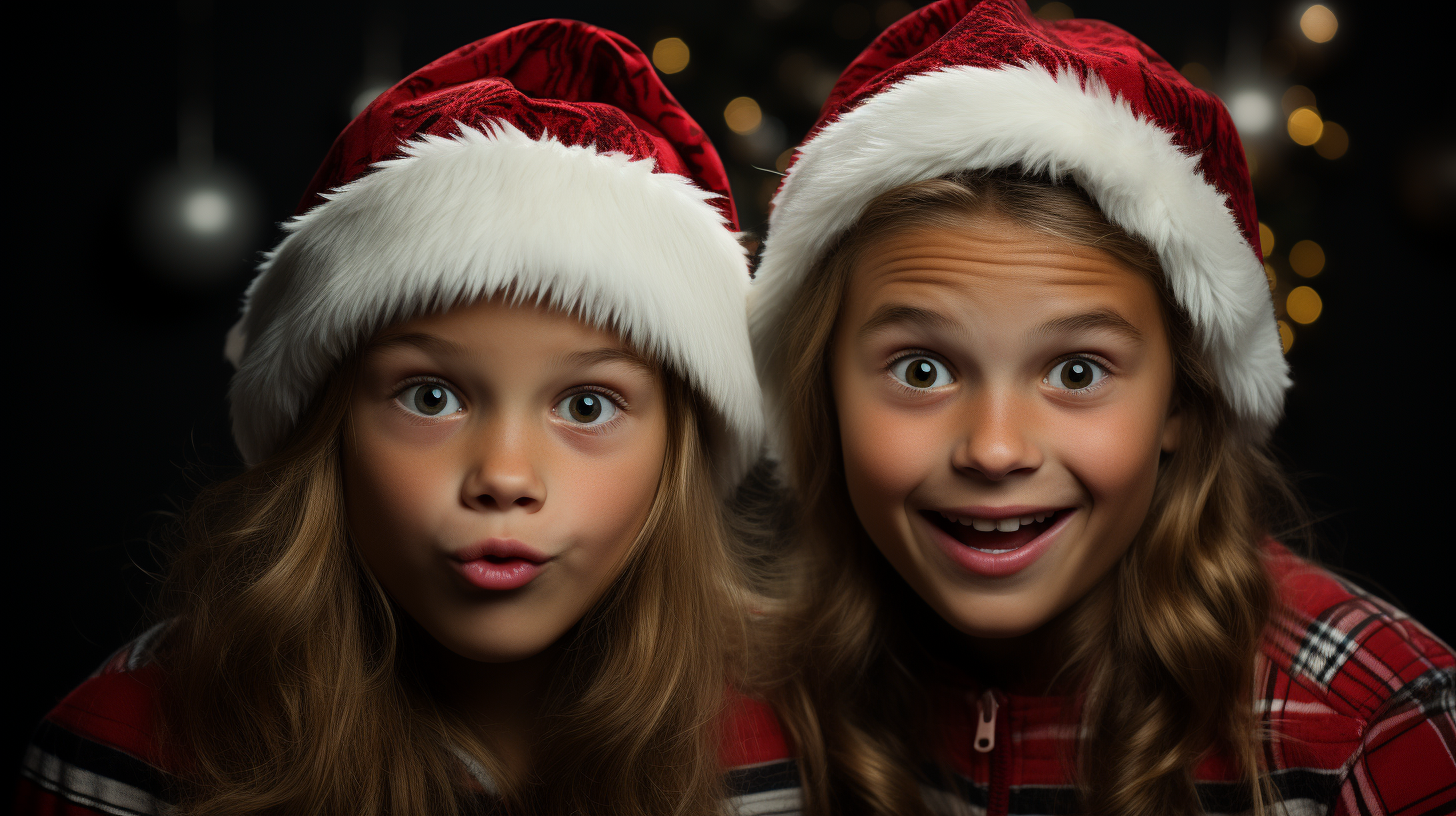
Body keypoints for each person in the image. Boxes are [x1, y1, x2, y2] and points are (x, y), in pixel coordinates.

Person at [18, 19, 793, 815]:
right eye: (432, 397)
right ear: (328, 433)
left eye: (587, 405)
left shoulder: (788, 738)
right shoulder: (131, 746)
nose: (504, 477)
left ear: (679, 450)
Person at [747, 1, 1456, 814]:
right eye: (921, 369)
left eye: (1078, 372)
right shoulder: (734, 718)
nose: (995, 449)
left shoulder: (1379, 739)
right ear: (824, 393)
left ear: (1182, 402)